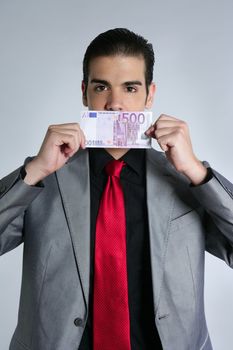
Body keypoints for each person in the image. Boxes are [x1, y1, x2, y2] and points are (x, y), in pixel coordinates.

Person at [0, 28, 233, 350]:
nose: (115, 105)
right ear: (85, 93)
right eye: (101, 87)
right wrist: (34, 171)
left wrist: (197, 172)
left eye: (130, 88)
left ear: (149, 95)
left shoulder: (189, 181)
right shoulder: (41, 178)